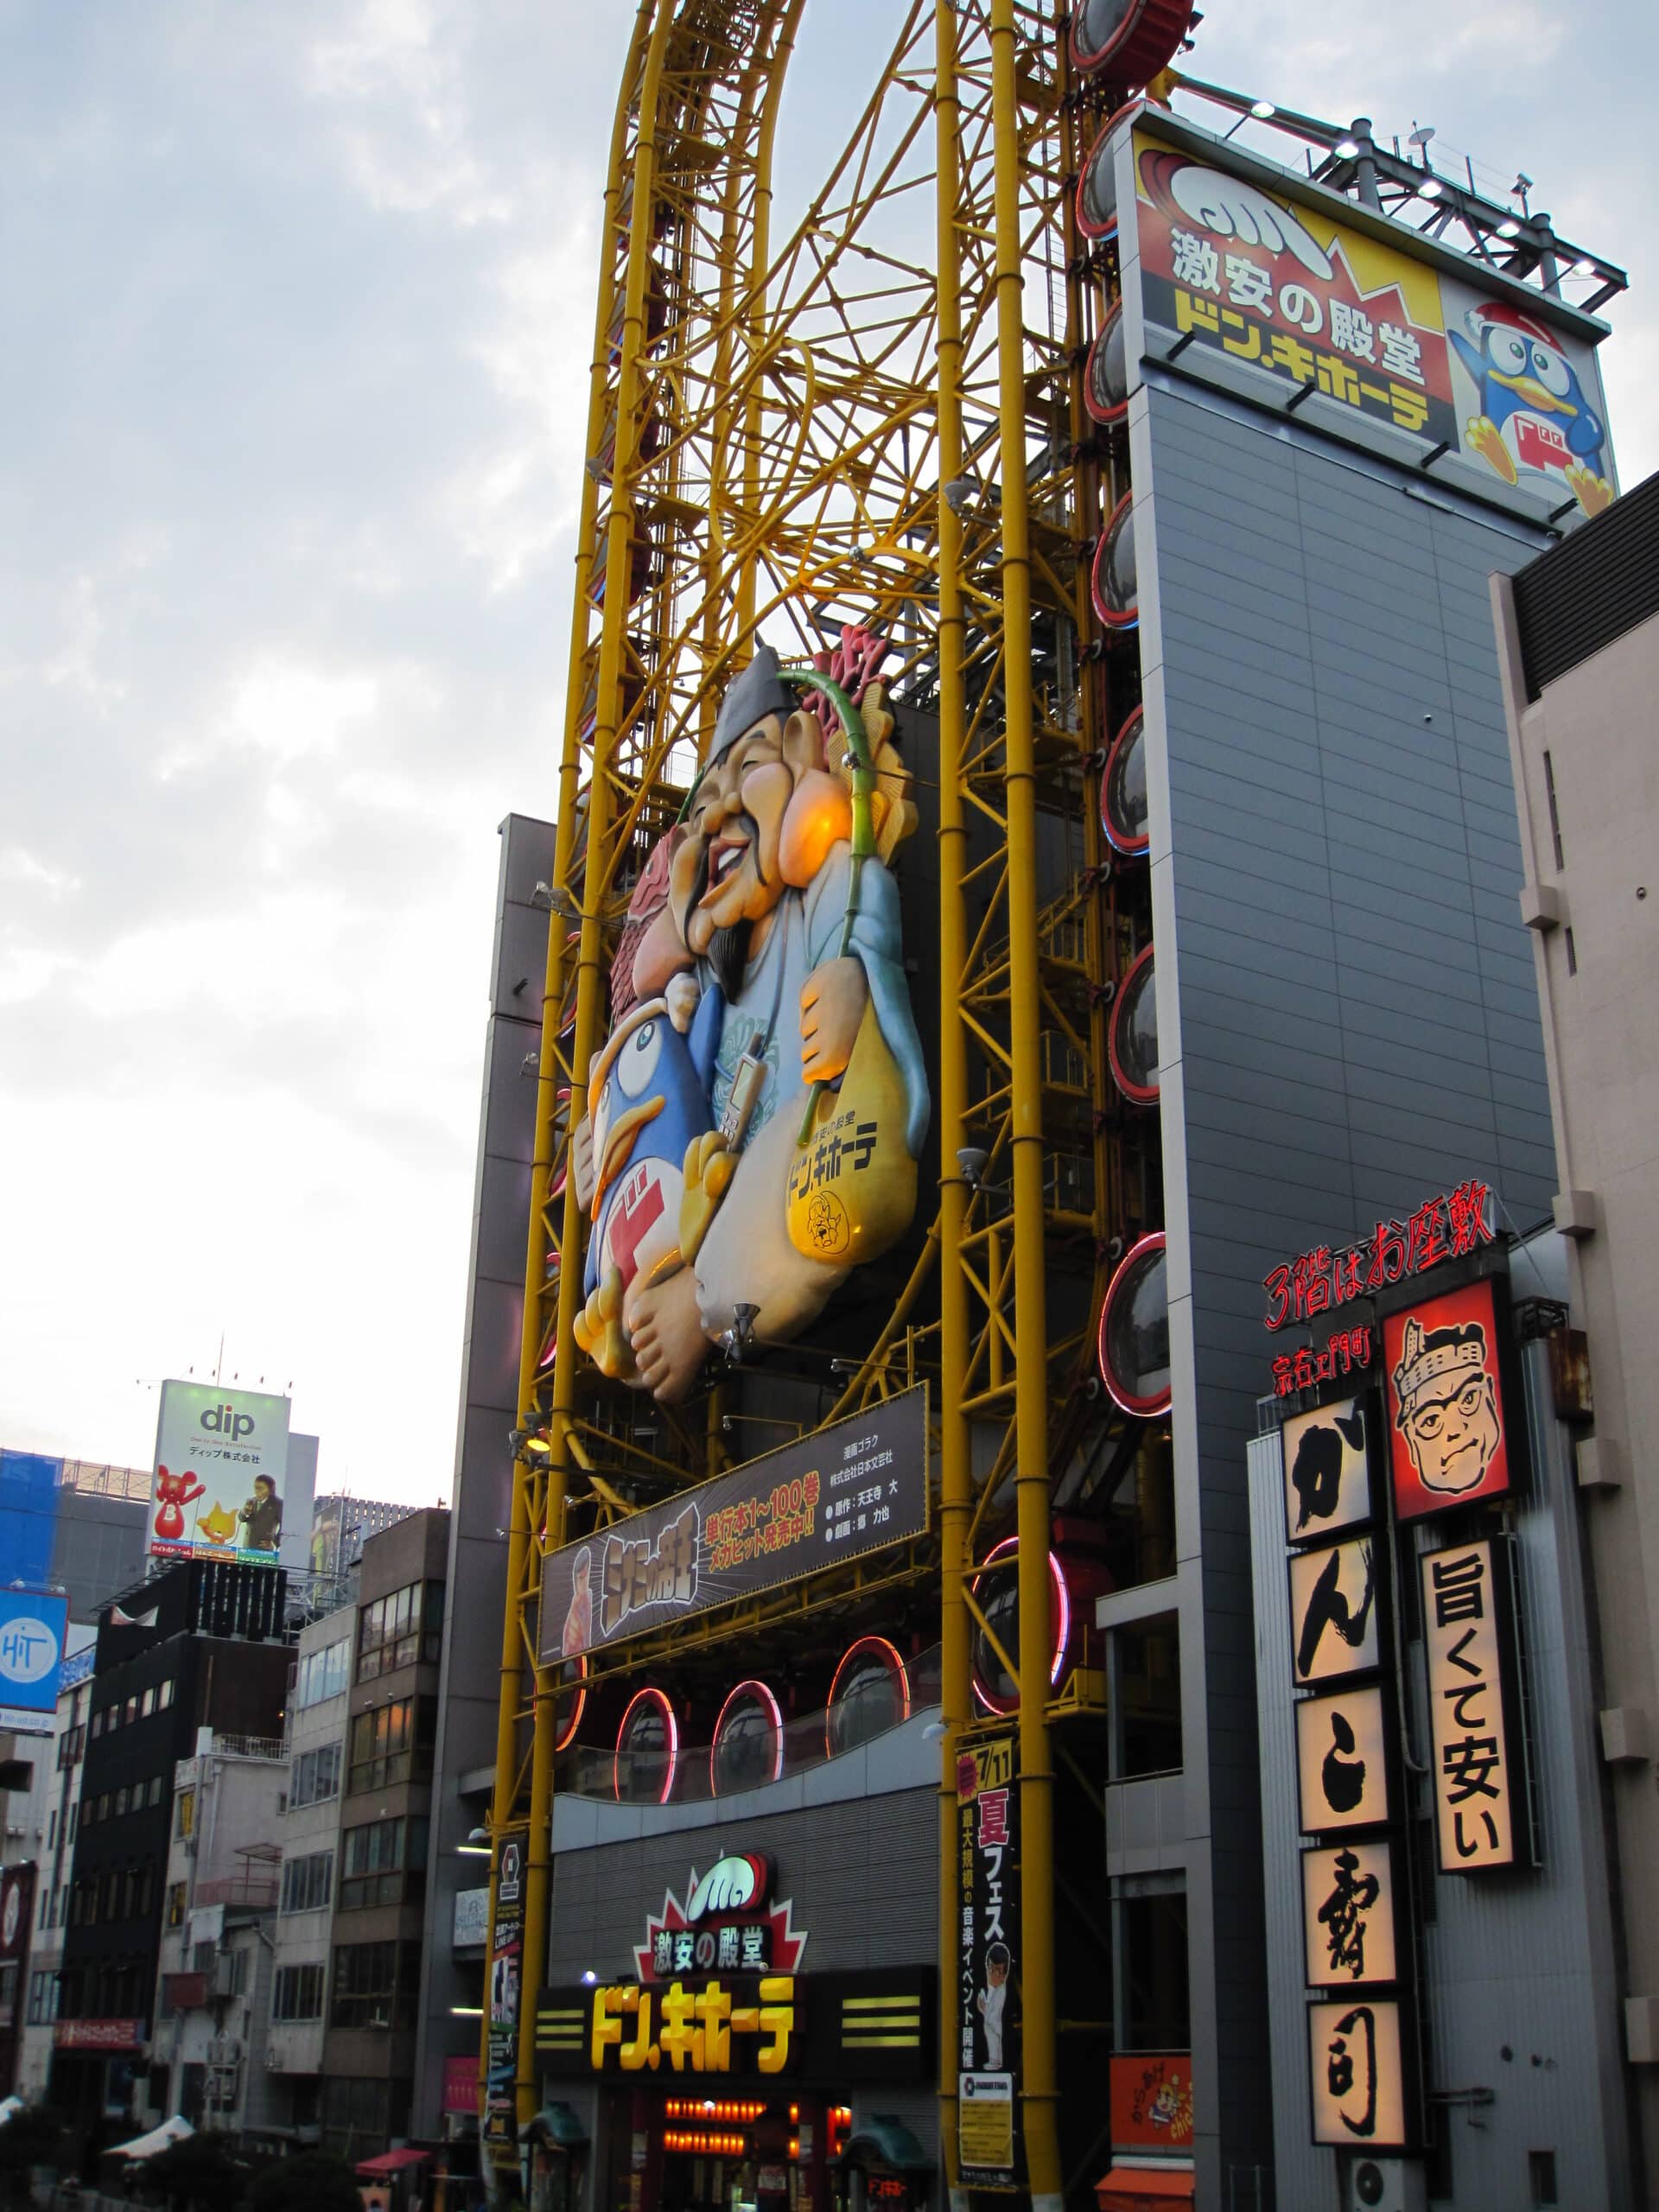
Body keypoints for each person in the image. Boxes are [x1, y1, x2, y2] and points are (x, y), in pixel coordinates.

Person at [977, 1941, 1010, 2069]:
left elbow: (993, 2015)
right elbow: (990, 2012)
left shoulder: (1001, 1992)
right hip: (992, 2026)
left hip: (995, 2028)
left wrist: (984, 2009)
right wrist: (983, 2007)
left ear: (1004, 1974)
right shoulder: (994, 1990)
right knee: (992, 2041)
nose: (993, 1974)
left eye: (998, 1971)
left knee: (994, 2041)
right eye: (991, 1969)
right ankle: (994, 2060)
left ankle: (995, 2061)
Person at [237, 1473, 282, 1553]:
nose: (257, 1491)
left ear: (270, 1490)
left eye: (261, 1488)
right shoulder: (251, 1501)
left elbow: (286, 1526)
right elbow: (241, 1518)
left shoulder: (278, 1504)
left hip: (264, 1550)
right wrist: (245, 1512)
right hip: (247, 1547)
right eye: (256, 1488)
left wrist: (275, 1543)